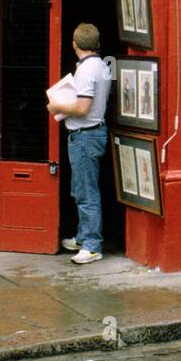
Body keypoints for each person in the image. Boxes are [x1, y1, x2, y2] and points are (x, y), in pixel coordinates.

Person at [47, 22, 111, 264]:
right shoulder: (101, 66)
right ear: (96, 44)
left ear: (74, 45)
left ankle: (92, 245)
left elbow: (83, 108)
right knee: (82, 188)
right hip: (92, 134)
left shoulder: (86, 71)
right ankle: (84, 236)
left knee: (86, 192)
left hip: (85, 135)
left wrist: (57, 106)